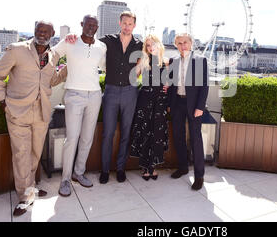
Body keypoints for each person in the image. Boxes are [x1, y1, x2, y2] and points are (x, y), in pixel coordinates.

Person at [0, 21, 67, 216]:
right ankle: (24, 197)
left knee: (34, 153)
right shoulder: (17, 50)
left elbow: (51, 80)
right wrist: (3, 102)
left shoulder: (54, 55)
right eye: (39, 30)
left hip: (41, 112)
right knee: (22, 154)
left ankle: (30, 188)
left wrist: (65, 70)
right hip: (17, 111)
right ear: (34, 31)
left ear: (52, 33)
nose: (42, 33)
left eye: (46, 31)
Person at [65, 11, 143, 183]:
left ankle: (121, 168)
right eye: (124, 23)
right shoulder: (107, 41)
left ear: (134, 25)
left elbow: (152, 57)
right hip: (111, 91)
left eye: (130, 24)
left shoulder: (139, 44)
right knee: (108, 133)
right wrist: (72, 36)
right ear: (120, 23)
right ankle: (105, 170)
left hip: (130, 92)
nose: (127, 26)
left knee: (125, 132)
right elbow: (88, 40)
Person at [53, 15, 107, 197]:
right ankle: (65, 180)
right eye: (88, 24)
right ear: (82, 25)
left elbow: (108, 67)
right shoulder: (70, 41)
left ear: (97, 27)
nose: (91, 27)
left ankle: (79, 173)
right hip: (74, 94)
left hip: (94, 95)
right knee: (72, 138)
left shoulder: (101, 47)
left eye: (94, 25)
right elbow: (52, 54)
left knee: (87, 138)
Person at [167, 33, 209, 191]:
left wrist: (200, 107)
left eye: (185, 42)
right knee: (178, 136)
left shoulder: (200, 60)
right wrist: (170, 104)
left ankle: (199, 176)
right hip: (177, 102)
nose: (182, 45)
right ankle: (183, 167)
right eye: (179, 43)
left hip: (193, 105)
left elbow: (204, 86)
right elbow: (171, 85)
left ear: (191, 43)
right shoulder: (174, 61)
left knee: (195, 139)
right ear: (176, 45)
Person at [130, 35, 170, 181]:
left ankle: (152, 166)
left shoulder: (166, 62)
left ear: (159, 44)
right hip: (145, 100)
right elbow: (133, 77)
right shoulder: (143, 61)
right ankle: (145, 168)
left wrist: (168, 85)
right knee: (145, 132)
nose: (150, 47)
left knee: (157, 134)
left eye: (153, 44)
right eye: (147, 45)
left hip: (160, 101)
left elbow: (170, 82)